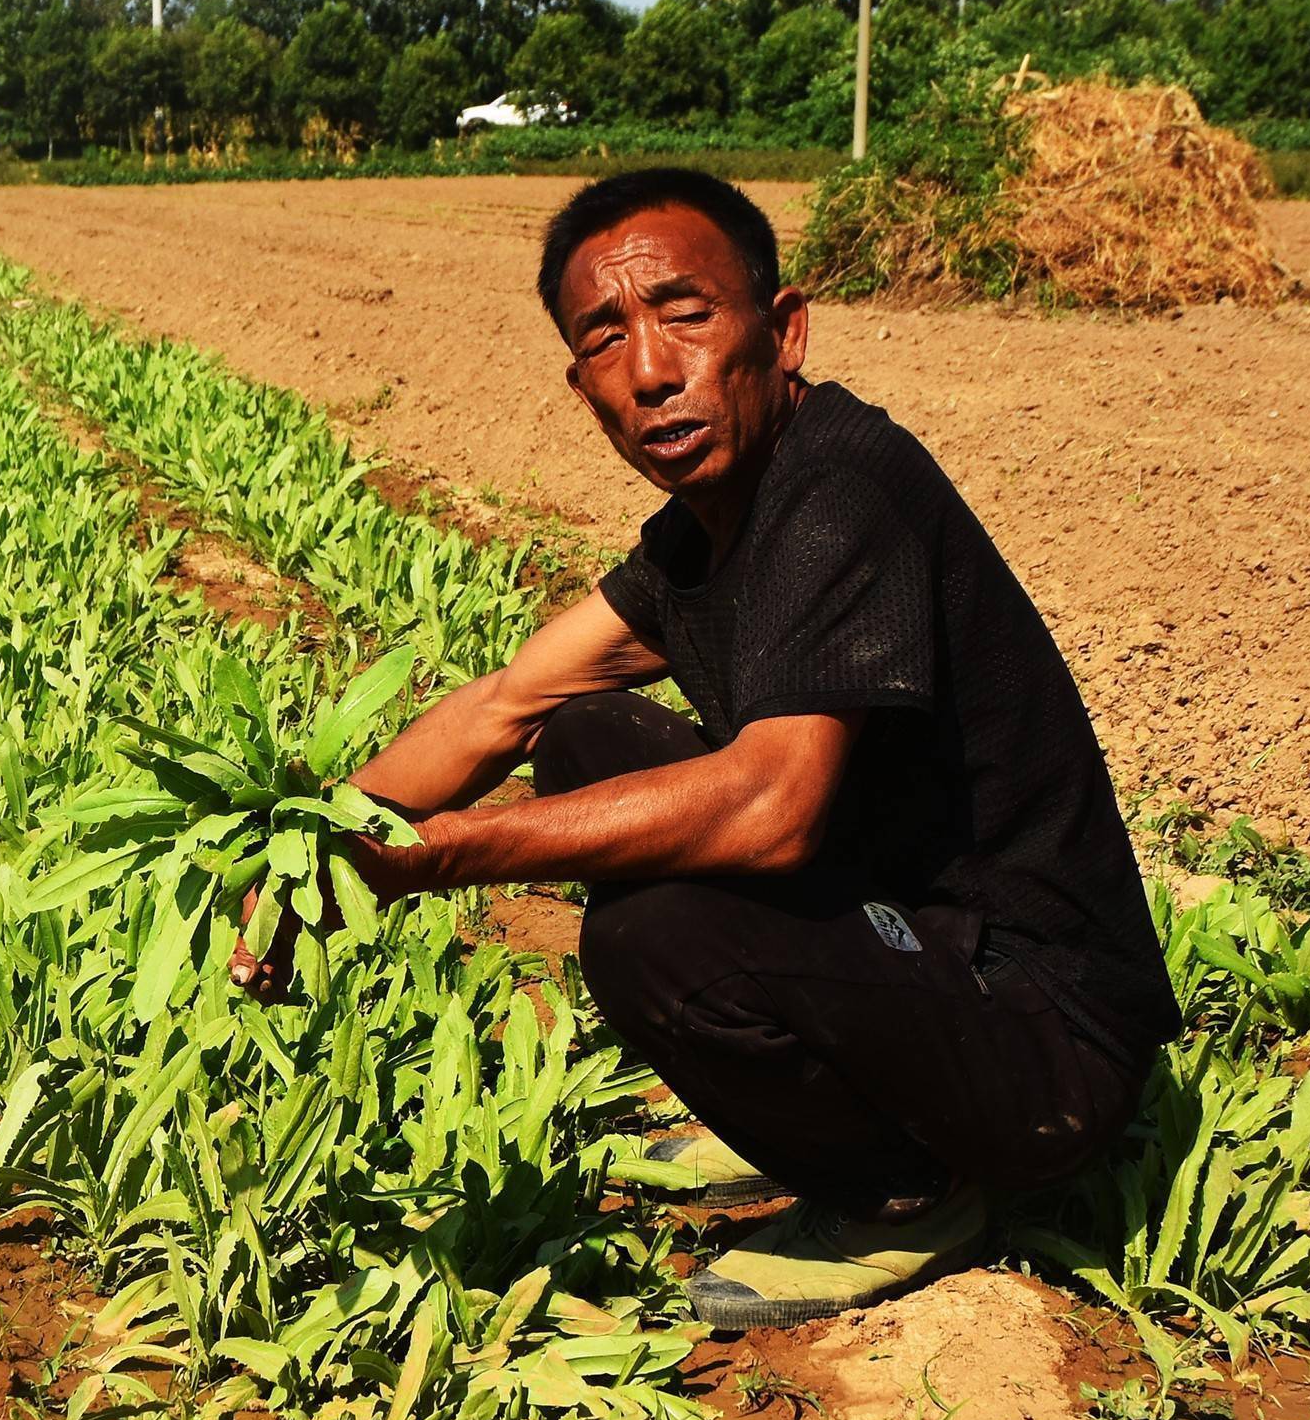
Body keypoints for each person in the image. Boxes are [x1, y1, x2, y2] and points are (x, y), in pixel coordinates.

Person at [233, 167, 1177, 1329]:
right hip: (919, 950)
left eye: (686, 315)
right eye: (604, 338)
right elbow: (508, 703)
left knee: (656, 935)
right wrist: (311, 850)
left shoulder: (839, 489)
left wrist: (442, 856)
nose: (649, 369)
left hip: (1045, 1044)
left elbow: (772, 807)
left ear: (781, 334)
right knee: (584, 734)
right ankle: (833, 1107)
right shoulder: (705, 530)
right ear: (580, 384)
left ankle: (903, 1191)